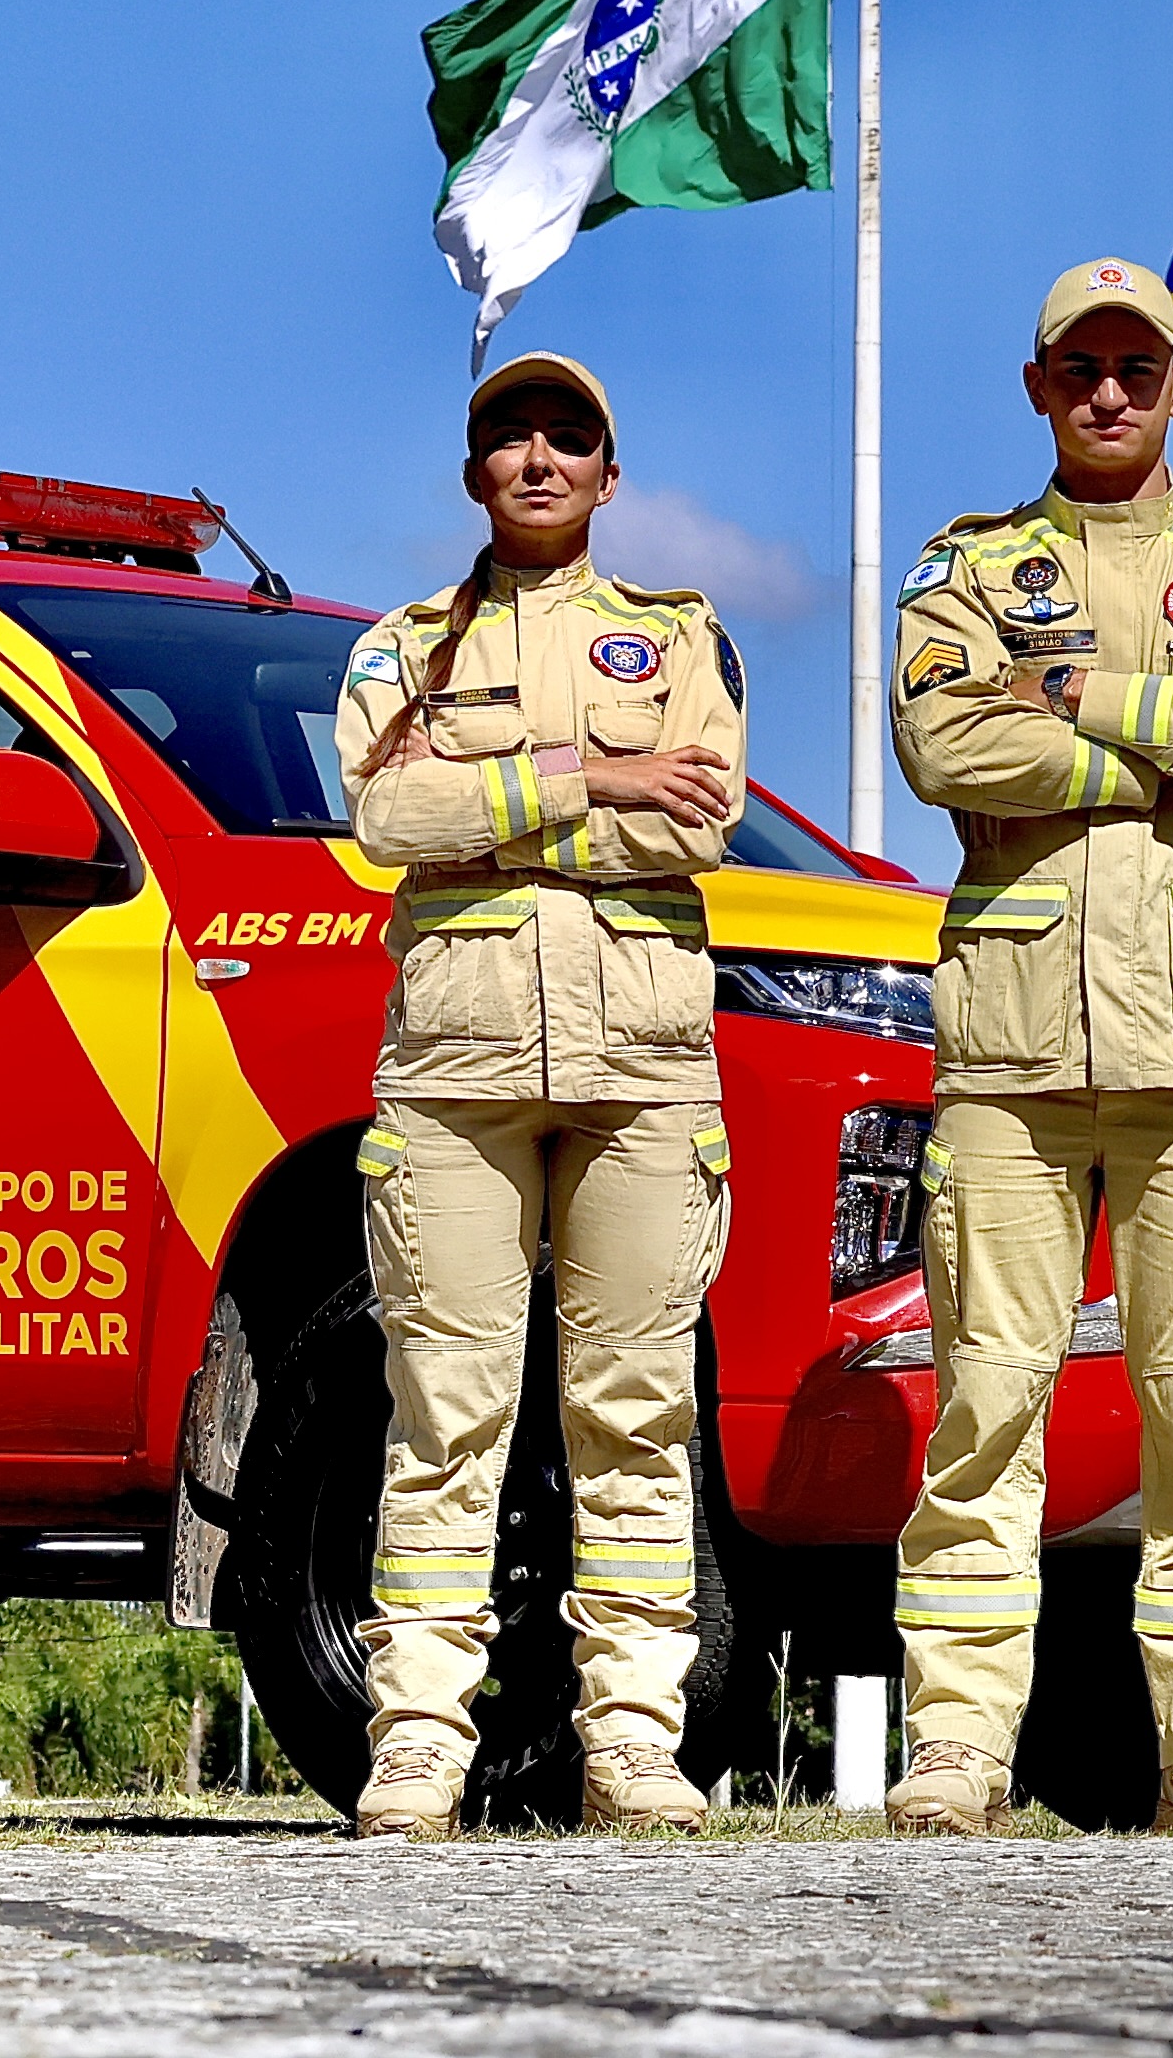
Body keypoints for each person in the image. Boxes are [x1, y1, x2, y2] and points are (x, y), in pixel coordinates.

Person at [880, 258, 1173, 1839]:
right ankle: (957, 1746)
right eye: (1078, 367)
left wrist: (1080, 697)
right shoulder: (969, 566)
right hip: (1011, 1044)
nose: (1106, 392)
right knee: (986, 1399)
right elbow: (947, 745)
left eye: (1134, 366)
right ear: (1038, 388)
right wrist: (1170, 738)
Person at [330, 350, 749, 1841]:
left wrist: (498, 814)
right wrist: (588, 778)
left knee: (632, 1417)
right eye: (511, 433)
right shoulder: (404, 650)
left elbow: (706, 822)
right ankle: (418, 1749)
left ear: (608, 475)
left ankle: (634, 1745)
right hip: (453, 1081)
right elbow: (384, 813)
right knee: (444, 1415)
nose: (540, 457)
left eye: (570, 435)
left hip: (643, 1074)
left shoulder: (679, 639)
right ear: (473, 471)